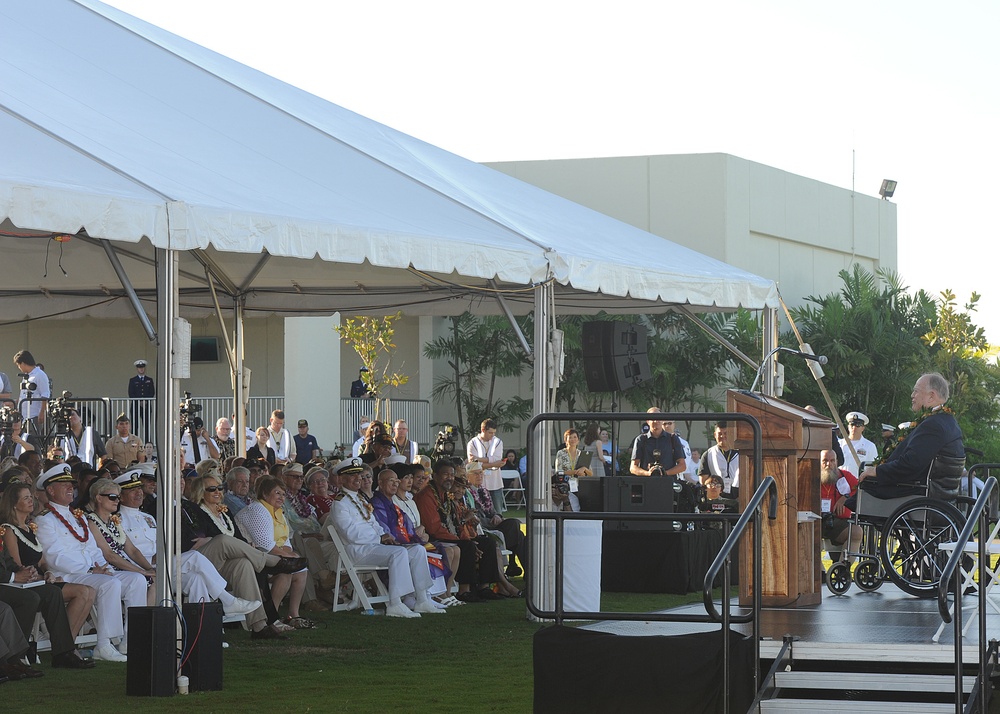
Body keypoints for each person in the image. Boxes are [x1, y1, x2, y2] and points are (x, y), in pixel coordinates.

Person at [34, 464, 147, 662]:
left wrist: (104, 567)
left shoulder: (77, 516)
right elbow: (54, 557)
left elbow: (93, 548)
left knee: (136, 580)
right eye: (64, 485)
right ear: (50, 490)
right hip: (70, 575)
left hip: (92, 572)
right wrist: (90, 569)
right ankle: (104, 644)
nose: (70, 488)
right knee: (110, 584)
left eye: (71, 484)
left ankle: (130, 640)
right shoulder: (45, 520)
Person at [114, 468, 260, 620]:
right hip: (142, 568)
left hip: (161, 564)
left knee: (196, 578)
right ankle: (228, 600)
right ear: (121, 497)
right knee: (194, 557)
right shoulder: (118, 520)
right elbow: (123, 552)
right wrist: (149, 563)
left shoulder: (147, 517)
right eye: (132, 490)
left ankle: (202, 632)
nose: (139, 493)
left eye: (139, 488)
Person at [181, 474, 305, 640]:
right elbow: (195, 539)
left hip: (222, 566)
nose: (217, 491)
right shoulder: (196, 511)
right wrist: (212, 539)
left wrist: (241, 545)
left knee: (244, 564)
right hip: (198, 561)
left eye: (219, 488)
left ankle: (259, 626)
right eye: (212, 489)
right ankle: (272, 561)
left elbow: (239, 539)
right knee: (223, 540)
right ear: (200, 492)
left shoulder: (224, 513)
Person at [0, 483, 96, 669]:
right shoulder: (9, 529)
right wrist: (39, 577)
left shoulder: (30, 527)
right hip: (21, 584)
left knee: (62, 592)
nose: (31, 500)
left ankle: (63, 651)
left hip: (35, 580)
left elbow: (42, 561)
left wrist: (48, 572)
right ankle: (20, 652)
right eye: (26, 497)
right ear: (13, 503)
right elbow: (17, 565)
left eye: (31, 496)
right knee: (52, 593)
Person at [332, 459, 442, 617]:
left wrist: (384, 534)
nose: (358, 478)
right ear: (341, 479)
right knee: (398, 553)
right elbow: (351, 534)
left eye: (359, 475)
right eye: (352, 475)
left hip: (374, 547)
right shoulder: (340, 503)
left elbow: (374, 523)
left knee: (418, 550)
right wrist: (379, 538)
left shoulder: (360, 499)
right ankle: (395, 603)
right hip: (358, 551)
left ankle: (422, 599)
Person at [859, 373, 964, 500]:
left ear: (931, 396)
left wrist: (876, 471)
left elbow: (911, 464)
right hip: (921, 491)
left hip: (909, 492)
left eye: (916, 391)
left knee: (849, 499)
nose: (912, 395)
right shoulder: (947, 421)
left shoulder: (933, 425)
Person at [235, 477, 314, 629]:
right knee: (286, 571)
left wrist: (290, 555)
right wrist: (289, 558)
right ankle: (272, 617)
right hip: (252, 556)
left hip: (272, 555)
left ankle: (293, 615)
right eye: (277, 493)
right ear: (265, 494)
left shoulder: (278, 513)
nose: (281, 497)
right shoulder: (257, 510)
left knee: (300, 569)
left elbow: (286, 541)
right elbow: (265, 545)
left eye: (283, 494)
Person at [83, 477, 156, 606]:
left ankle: (147, 623)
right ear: (99, 498)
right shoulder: (91, 521)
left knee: (155, 578)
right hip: (108, 568)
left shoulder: (114, 521)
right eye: (112, 497)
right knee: (143, 579)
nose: (117, 500)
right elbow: (109, 555)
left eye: (117, 497)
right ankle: (141, 622)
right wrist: (142, 571)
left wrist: (149, 568)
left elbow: (133, 551)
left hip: (124, 566)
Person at [465, 461, 526, 578]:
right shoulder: (467, 493)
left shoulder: (483, 490)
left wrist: (497, 516)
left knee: (516, 527)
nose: (479, 476)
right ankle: (514, 566)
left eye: (481, 473)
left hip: (492, 523)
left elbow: (493, 511)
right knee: (517, 531)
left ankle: (515, 566)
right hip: (482, 527)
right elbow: (474, 517)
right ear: (468, 476)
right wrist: (491, 520)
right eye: (476, 474)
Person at [818, 450, 860, 561]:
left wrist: (846, 497)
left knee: (856, 532)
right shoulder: (811, 477)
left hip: (837, 521)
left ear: (837, 462)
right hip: (815, 521)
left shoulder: (845, 476)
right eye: (825, 461)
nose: (829, 464)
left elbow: (860, 489)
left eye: (832, 461)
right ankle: (820, 573)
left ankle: (842, 570)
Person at [631, 408, 687, 478]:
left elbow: (682, 466)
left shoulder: (673, 438)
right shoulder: (641, 439)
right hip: (647, 483)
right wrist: (648, 473)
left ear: (662, 420)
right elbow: (633, 467)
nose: (656, 421)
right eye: (652, 418)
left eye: (658, 418)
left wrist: (664, 473)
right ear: (647, 421)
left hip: (668, 483)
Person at [467, 418, 507, 514]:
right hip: (480, 483)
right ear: (483, 430)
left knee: (498, 512)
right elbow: (473, 463)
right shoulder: (473, 443)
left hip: (495, 483)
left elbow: (497, 458)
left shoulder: (497, 442)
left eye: (494, 433)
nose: (492, 435)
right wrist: (494, 464)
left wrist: (480, 460)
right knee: (480, 512)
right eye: (490, 432)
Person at [698, 422, 739, 498]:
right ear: (715, 435)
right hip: (717, 497)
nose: (722, 436)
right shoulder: (708, 454)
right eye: (719, 433)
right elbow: (703, 481)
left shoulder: (742, 454)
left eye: (725, 433)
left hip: (740, 496)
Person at [13, 350, 49, 432]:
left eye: (18, 365)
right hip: (24, 415)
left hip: (34, 415)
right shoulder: (26, 376)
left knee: (34, 439)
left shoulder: (40, 374)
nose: (19, 367)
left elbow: (45, 394)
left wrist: (42, 413)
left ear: (22, 363)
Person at [839, 411, 878, 478]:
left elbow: (873, 468)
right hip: (841, 483)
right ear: (848, 426)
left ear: (863, 428)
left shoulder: (870, 446)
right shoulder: (839, 444)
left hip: (859, 483)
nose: (854, 428)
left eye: (858, 425)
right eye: (852, 425)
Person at [127, 359, 155, 443]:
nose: (141, 369)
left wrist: (145, 401)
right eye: (139, 368)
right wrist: (139, 401)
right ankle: (134, 443)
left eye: (142, 367)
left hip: (146, 406)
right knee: (135, 425)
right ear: (137, 369)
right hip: (136, 406)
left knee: (146, 426)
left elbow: (152, 392)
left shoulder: (149, 380)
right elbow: (131, 393)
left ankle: (147, 443)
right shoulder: (133, 380)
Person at [663, 420, 698, 484]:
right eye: (664, 424)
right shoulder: (655, 442)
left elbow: (685, 464)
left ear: (674, 425)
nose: (667, 426)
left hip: (676, 479)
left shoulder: (683, 443)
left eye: (669, 423)